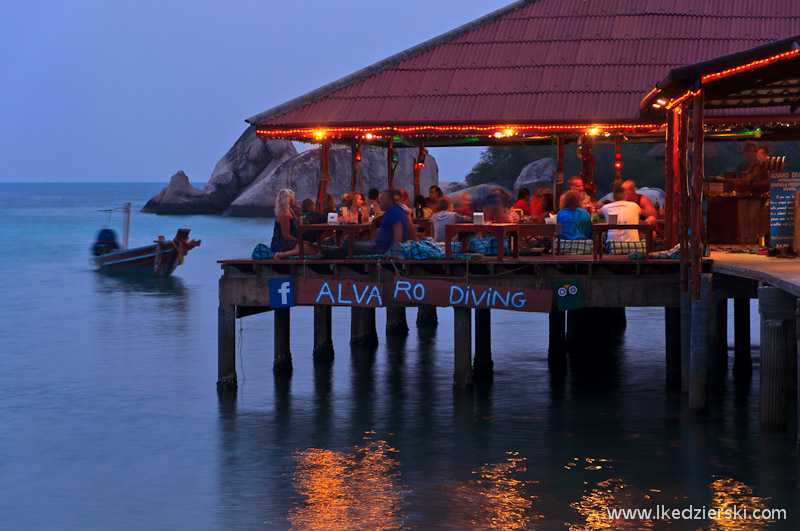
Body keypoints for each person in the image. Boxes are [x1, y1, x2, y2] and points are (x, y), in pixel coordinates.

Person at [323, 189, 408, 258]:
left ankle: (326, 257)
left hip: (379, 248)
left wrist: (393, 252)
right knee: (349, 243)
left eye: (382, 200)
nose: (379, 202)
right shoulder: (394, 211)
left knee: (348, 245)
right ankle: (328, 252)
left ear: (389, 200)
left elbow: (398, 234)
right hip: (377, 244)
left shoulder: (395, 212)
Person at [271, 189, 315, 259]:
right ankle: (282, 254)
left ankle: (293, 251)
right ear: (288, 199)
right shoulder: (284, 215)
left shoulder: (291, 211)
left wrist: (299, 215)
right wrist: (301, 242)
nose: (295, 199)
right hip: (282, 243)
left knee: (314, 248)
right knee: (311, 250)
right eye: (293, 197)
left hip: (292, 241)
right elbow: (286, 236)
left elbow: (299, 227)